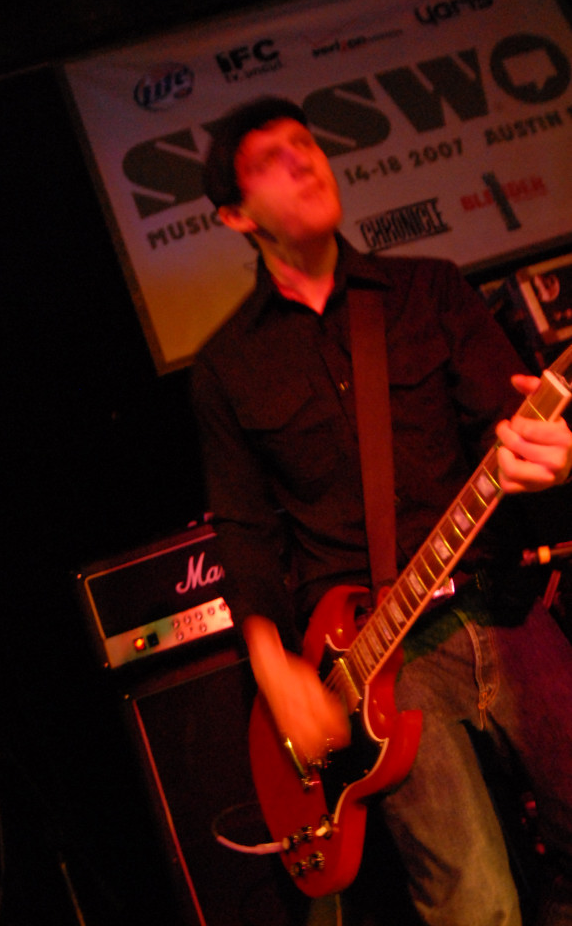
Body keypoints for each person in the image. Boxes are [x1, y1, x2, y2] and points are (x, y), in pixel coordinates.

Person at [191, 95, 572, 926]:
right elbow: (245, 530)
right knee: (473, 901)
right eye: (269, 160)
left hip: (501, 606)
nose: (302, 159)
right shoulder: (226, 367)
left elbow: (511, 433)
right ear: (234, 216)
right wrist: (274, 669)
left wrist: (554, 462)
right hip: (373, 666)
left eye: (305, 142)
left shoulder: (428, 290)